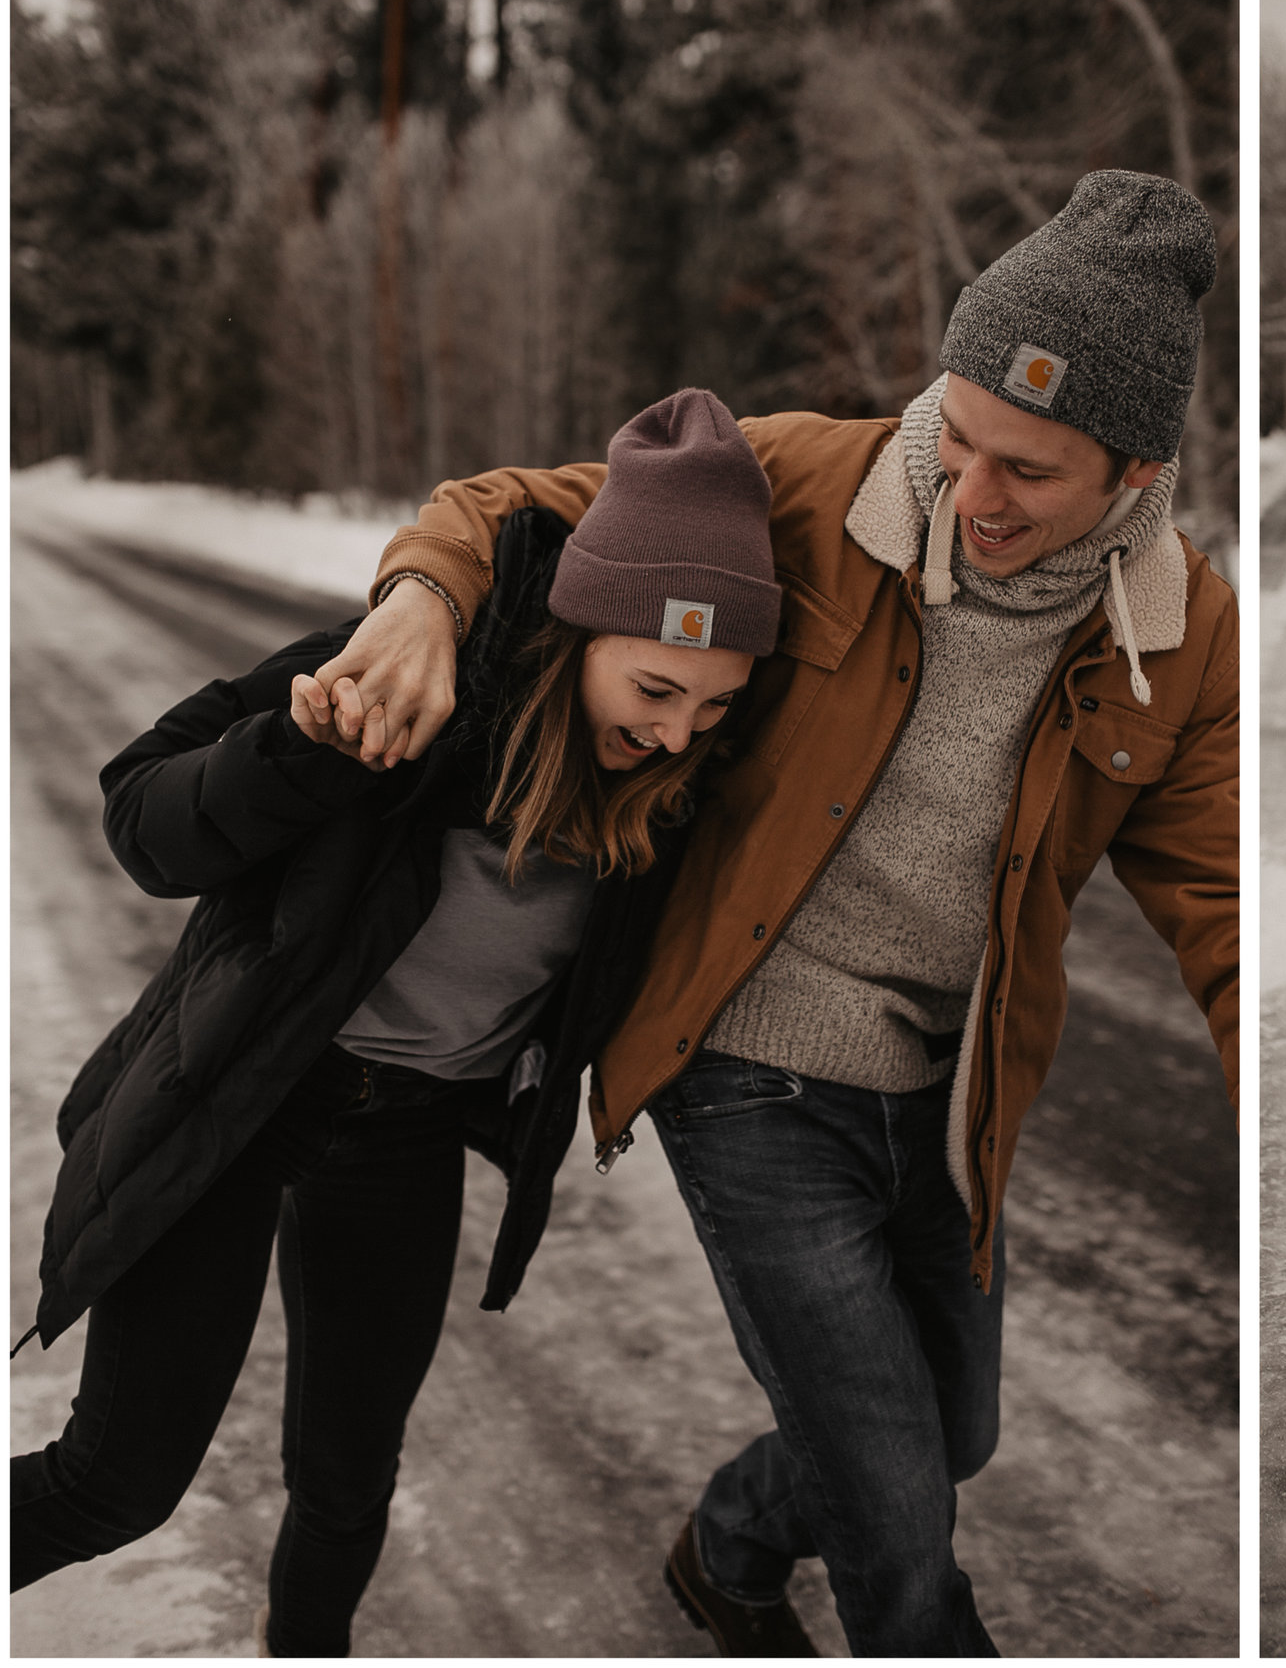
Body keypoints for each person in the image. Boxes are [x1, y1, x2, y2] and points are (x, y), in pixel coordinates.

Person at [312, 169, 1238, 1657]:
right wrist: (421, 593)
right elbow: (524, 511)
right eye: (966, 436)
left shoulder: (1180, 634)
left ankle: (729, 1543)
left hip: (949, 1091)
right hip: (748, 1058)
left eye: (1030, 471)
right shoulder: (810, 479)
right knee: (893, 1507)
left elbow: (1224, 898)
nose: (972, 491)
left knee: (955, 1435)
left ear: (1135, 473)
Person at [11, 390, 778, 1654]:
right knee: (116, 1482)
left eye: (714, 705)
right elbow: (140, 819)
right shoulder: (409, 679)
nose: (674, 731)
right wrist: (300, 744)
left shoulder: (673, 786)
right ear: (581, 628)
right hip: (245, 1093)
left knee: (348, 1480)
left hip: (408, 1137)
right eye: (655, 685)